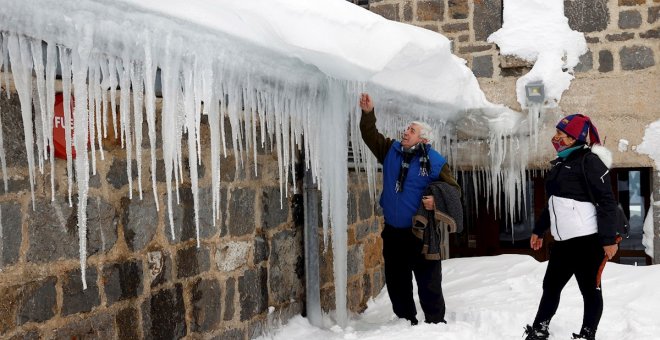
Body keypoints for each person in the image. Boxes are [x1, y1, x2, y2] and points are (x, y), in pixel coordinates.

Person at [358, 93, 460, 325]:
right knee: (396, 279)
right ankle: (406, 320)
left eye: (411, 131)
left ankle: (435, 322)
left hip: (420, 232)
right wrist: (367, 114)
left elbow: (454, 191)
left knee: (428, 279)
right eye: (406, 129)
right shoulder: (391, 150)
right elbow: (369, 135)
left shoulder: (435, 162)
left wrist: (436, 202)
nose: (405, 132)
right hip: (393, 231)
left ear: (423, 139)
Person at [524, 114, 619, 340]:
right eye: (557, 132)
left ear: (573, 138)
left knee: (590, 291)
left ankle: (588, 334)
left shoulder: (589, 161)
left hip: (588, 241)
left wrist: (608, 240)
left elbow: (607, 201)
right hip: (563, 242)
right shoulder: (560, 163)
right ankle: (540, 328)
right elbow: (554, 205)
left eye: (561, 134)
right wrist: (539, 230)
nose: (555, 137)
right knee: (551, 286)